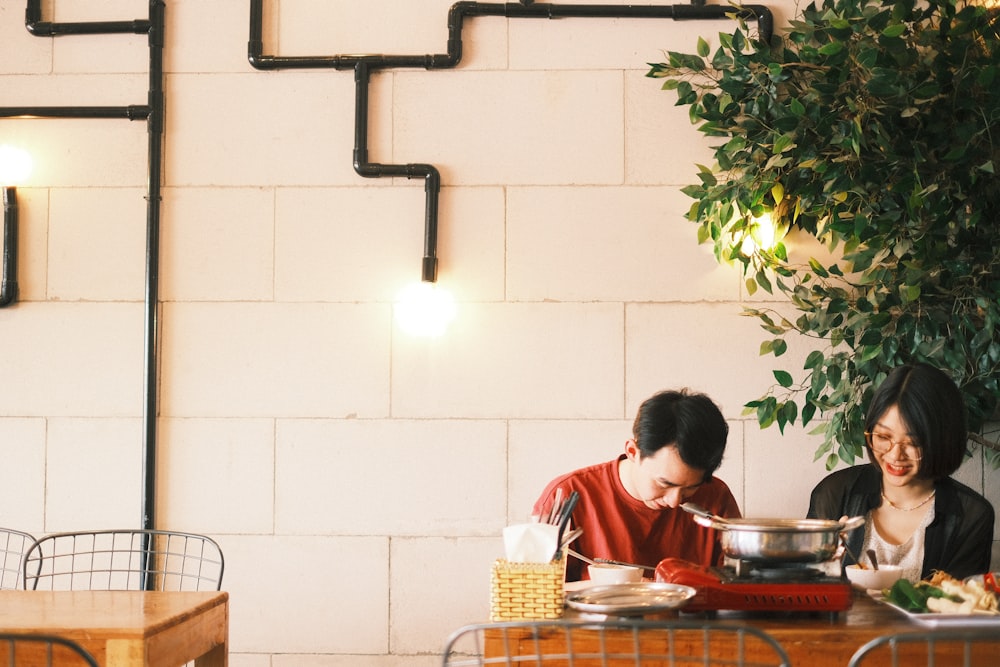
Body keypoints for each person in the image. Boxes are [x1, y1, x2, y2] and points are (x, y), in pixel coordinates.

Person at [807, 363, 995, 581]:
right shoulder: (836, 493)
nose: (895, 455)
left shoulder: (970, 515)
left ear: (942, 441)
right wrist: (826, 564)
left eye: (913, 443)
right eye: (883, 437)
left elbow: (962, 605)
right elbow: (801, 588)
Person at [532, 388, 741, 581]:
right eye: (664, 483)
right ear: (633, 452)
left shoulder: (716, 496)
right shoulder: (567, 496)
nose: (674, 501)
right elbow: (535, 595)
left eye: (690, 488)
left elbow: (737, 586)